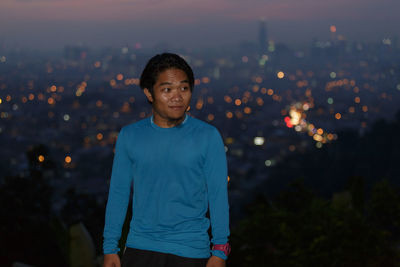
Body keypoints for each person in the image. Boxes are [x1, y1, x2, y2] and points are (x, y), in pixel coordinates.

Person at [103, 53, 230, 267]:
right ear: (149, 93)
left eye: (184, 88)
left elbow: (218, 194)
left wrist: (220, 250)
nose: (177, 97)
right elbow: (119, 192)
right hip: (141, 247)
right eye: (167, 89)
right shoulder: (130, 136)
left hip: (191, 249)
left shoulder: (207, 136)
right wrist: (110, 248)